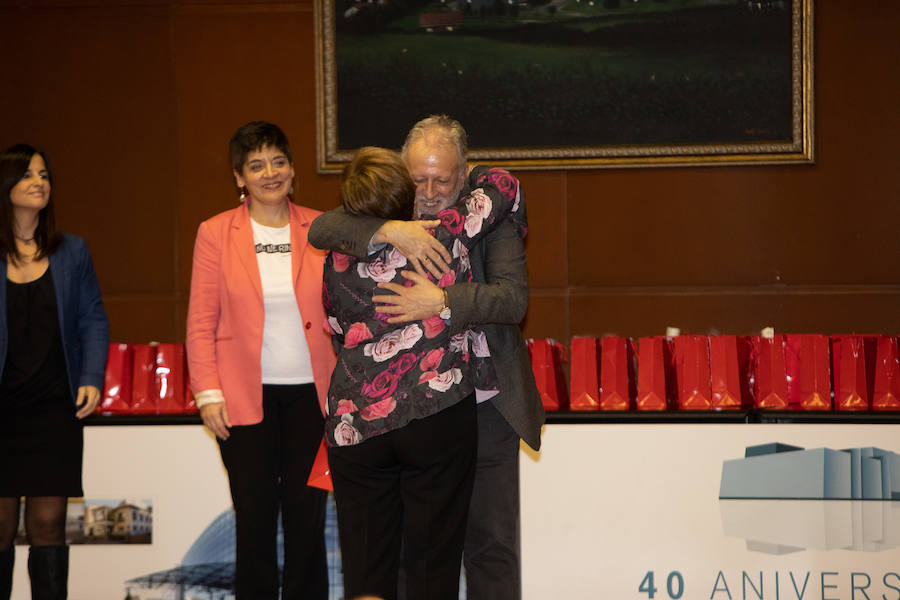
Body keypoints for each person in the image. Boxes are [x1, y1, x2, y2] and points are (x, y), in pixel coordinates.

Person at [308, 115, 544, 600]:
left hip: (488, 400)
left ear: (465, 173)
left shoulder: (486, 218)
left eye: (444, 179)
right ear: (402, 173)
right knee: (407, 555)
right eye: (419, 179)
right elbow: (322, 226)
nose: (432, 191)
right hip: (418, 414)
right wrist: (392, 229)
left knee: (490, 545)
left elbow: (512, 301)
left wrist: (443, 301)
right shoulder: (377, 221)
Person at [185, 121, 336, 600]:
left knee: (307, 518)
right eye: (256, 165)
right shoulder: (214, 234)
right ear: (239, 177)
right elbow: (200, 321)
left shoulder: (323, 228)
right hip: (242, 400)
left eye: (278, 162)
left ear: (292, 169)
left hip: (313, 399)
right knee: (253, 518)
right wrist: (207, 393)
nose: (270, 172)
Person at [0, 144, 110, 600]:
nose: (38, 182)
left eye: (44, 174)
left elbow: (93, 319)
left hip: (52, 409)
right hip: (2, 411)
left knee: (48, 526)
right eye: (27, 174)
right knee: (0, 526)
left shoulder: (72, 251)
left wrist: (91, 377)